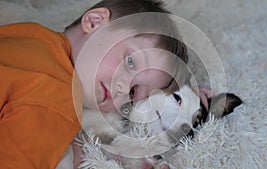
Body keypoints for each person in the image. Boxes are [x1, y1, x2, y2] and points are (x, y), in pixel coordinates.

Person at [0, 0, 212, 168]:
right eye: (130, 62)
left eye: (133, 92)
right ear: (94, 22)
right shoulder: (57, 99)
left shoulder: (29, 32)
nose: (122, 87)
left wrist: (184, 99)